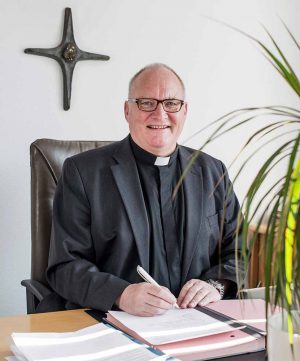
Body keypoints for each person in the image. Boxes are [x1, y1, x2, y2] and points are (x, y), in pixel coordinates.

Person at [47, 63, 243, 317]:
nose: (160, 114)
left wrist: (216, 284)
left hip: (197, 321)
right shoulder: (82, 173)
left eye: (171, 103)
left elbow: (237, 250)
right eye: (147, 103)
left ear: (184, 111)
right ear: (127, 111)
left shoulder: (213, 172)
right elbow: (64, 266)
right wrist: (121, 294)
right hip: (111, 321)